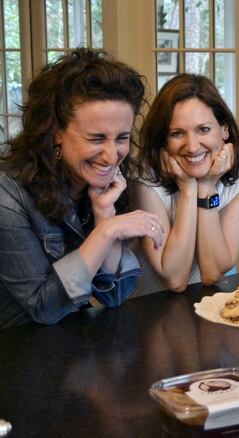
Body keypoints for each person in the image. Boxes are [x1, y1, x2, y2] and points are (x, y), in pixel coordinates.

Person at [0, 49, 164, 328]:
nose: (112, 156)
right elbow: (44, 307)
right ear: (55, 132)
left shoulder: (102, 183)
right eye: (96, 138)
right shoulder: (9, 194)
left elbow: (116, 295)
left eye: (122, 138)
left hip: (66, 348)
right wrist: (105, 232)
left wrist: (104, 214)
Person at [132, 74, 239, 292]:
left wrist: (207, 187)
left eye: (203, 129)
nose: (191, 147)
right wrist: (188, 189)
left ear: (225, 130)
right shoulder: (143, 175)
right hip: (147, 309)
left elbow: (212, 272)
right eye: (177, 133)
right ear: (163, 138)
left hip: (209, 302)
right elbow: (174, 279)